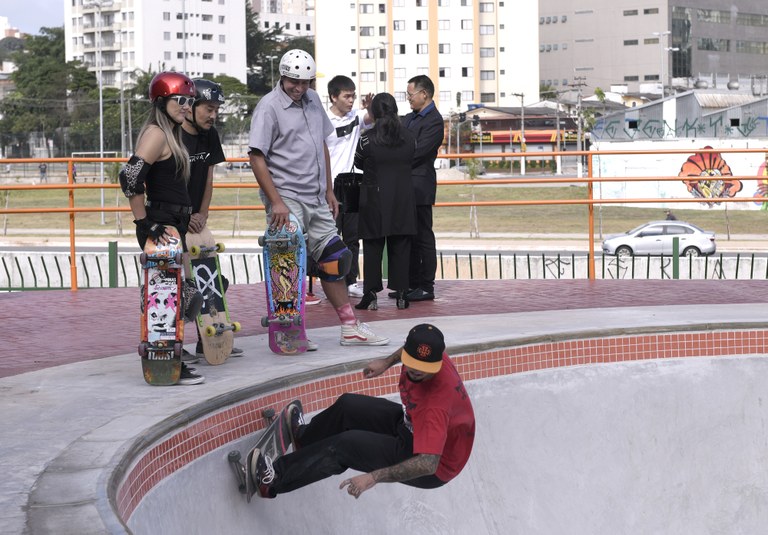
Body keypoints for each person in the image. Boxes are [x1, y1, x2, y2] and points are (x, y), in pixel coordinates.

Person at [247, 49, 389, 348]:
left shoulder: (312, 101)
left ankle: (350, 328)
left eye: (305, 82)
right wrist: (276, 202)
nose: (299, 88)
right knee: (287, 259)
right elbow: (257, 158)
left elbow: (322, 144)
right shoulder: (268, 107)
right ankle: (288, 330)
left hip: (316, 195)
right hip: (285, 195)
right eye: (293, 82)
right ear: (282, 77)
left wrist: (328, 190)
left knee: (335, 259)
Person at [250, 323, 476, 499]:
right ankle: (304, 439)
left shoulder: (435, 406)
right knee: (348, 406)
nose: (416, 371)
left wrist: (374, 477)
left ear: (436, 365)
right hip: (411, 426)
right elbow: (412, 348)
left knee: (344, 446)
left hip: (430, 464)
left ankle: (272, 481)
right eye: (412, 363)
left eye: (423, 370)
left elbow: (428, 463)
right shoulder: (431, 352)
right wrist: (387, 362)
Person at [119, 71, 204, 386]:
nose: (186, 106)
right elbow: (130, 176)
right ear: (162, 101)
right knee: (167, 298)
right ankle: (168, 365)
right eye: (179, 100)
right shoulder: (156, 134)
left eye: (189, 101)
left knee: (185, 295)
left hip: (173, 225)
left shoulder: (171, 134)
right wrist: (145, 223)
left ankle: (173, 360)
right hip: (161, 225)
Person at [180, 78, 244, 364]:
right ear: (191, 106)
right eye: (208, 108)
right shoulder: (172, 135)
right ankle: (172, 343)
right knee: (179, 287)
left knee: (211, 281)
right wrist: (186, 216)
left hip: (197, 220)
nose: (213, 114)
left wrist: (202, 213)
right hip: (172, 219)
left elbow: (207, 178)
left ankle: (206, 340)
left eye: (217, 109)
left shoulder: (210, 135)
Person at [353, 92, 416, 311]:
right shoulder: (409, 136)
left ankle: (370, 294)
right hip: (403, 197)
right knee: (400, 245)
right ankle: (401, 293)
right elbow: (412, 159)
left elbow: (358, 162)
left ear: (374, 112)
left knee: (372, 247)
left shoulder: (367, 138)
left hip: (374, 197)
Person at [325, 75, 374, 299]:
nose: (351, 100)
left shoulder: (356, 116)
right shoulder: (323, 121)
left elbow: (371, 117)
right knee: (331, 237)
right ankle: (332, 282)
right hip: (330, 186)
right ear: (333, 97)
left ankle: (352, 280)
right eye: (346, 96)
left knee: (353, 237)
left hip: (353, 184)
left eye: (353, 96)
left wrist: (371, 107)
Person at [398, 75, 444, 302]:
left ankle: (426, 285)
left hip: (420, 186)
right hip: (406, 185)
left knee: (423, 236)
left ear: (424, 94)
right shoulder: (409, 118)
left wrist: (398, 154)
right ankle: (410, 283)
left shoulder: (434, 121)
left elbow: (418, 151)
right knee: (409, 236)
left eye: (410, 94)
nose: (408, 99)